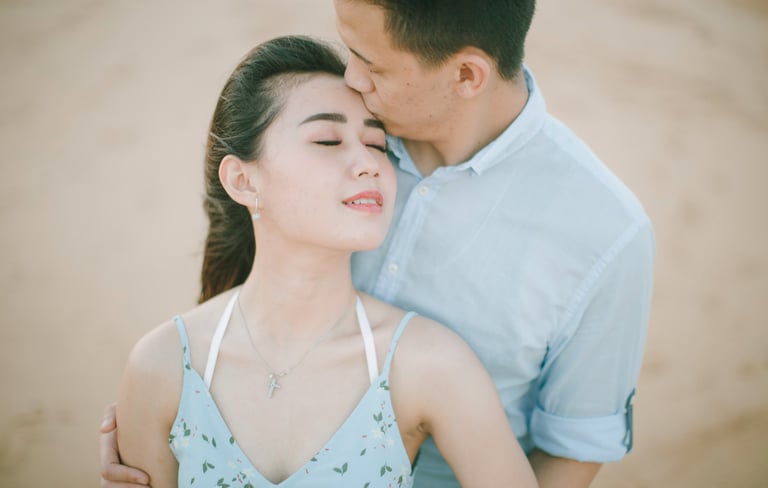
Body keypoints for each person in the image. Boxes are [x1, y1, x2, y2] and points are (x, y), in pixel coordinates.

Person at [101, 1, 655, 487]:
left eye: (372, 64)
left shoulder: (606, 233)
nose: (352, 76)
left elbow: (577, 447)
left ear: (466, 74)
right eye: (350, 50)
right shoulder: (168, 362)